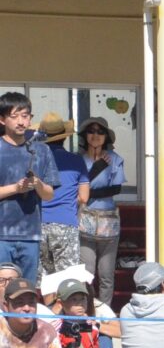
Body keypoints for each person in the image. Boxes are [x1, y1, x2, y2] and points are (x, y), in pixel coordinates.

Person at [0, 91, 58, 284]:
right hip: (2, 234)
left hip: (31, 234)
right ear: (2, 119)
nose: (21, 122)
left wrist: (38, 184)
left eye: (25, 116)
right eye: (14, 116)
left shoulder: (41, 150)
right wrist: (16, 188)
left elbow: (49, 194)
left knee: (26, 290)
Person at [78, 116, 125, 305]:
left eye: (100, 131)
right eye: (91, 131)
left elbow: (115, 189)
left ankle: (104, 311)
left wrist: (87, 192)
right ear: (84, 135)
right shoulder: (77, 159)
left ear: (106, 137)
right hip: (83, 218)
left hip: (108, 220)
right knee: (86, 271)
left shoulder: (115, 159)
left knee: (106, 273)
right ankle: (86, 308)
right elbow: (75, 187)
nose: (95, 135)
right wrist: (96, 169)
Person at [38, 113, 89, 279]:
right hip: (66, 222)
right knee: (67, 277)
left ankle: (46, 305)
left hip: (38, 223)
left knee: (43, 278)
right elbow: (84, 197)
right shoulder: (76, 161)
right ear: (64, 137)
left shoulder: (35, 159)